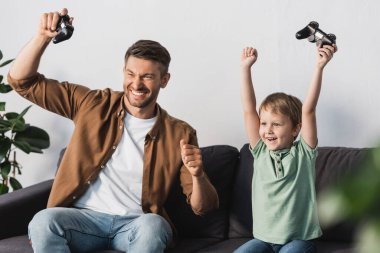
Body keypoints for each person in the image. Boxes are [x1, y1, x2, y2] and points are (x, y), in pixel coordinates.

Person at [8, 8, 219, 253]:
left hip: (135, 226)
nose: (136, 84)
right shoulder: (92, 103)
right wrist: (42, 37)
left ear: (164, 80)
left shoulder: (180, 133)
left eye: (148, 76)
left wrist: (198, 175)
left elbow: (203, 207)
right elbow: (22, 82)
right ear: (123, 72)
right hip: (82, 221)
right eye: (131, 74)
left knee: (155, 225)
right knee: (44, 221)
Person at [234, 43, 337, 253]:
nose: (268, 130)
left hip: (299, 240)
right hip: (263, 240)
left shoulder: (303, 153)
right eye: (264, 124)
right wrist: (245, 69)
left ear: (295, 129)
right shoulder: (261, 151)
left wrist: (319, 67)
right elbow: (248, 110)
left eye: (277, 124)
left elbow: (308, 110)